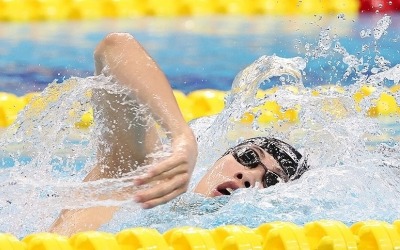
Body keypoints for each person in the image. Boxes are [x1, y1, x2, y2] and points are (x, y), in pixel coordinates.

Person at [50, 33, 308, 235]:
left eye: (271, 181)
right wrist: (183, 137)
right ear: (221, 157)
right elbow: (115, 48)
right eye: (248, 156)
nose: (248, 176)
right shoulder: (138, 178)